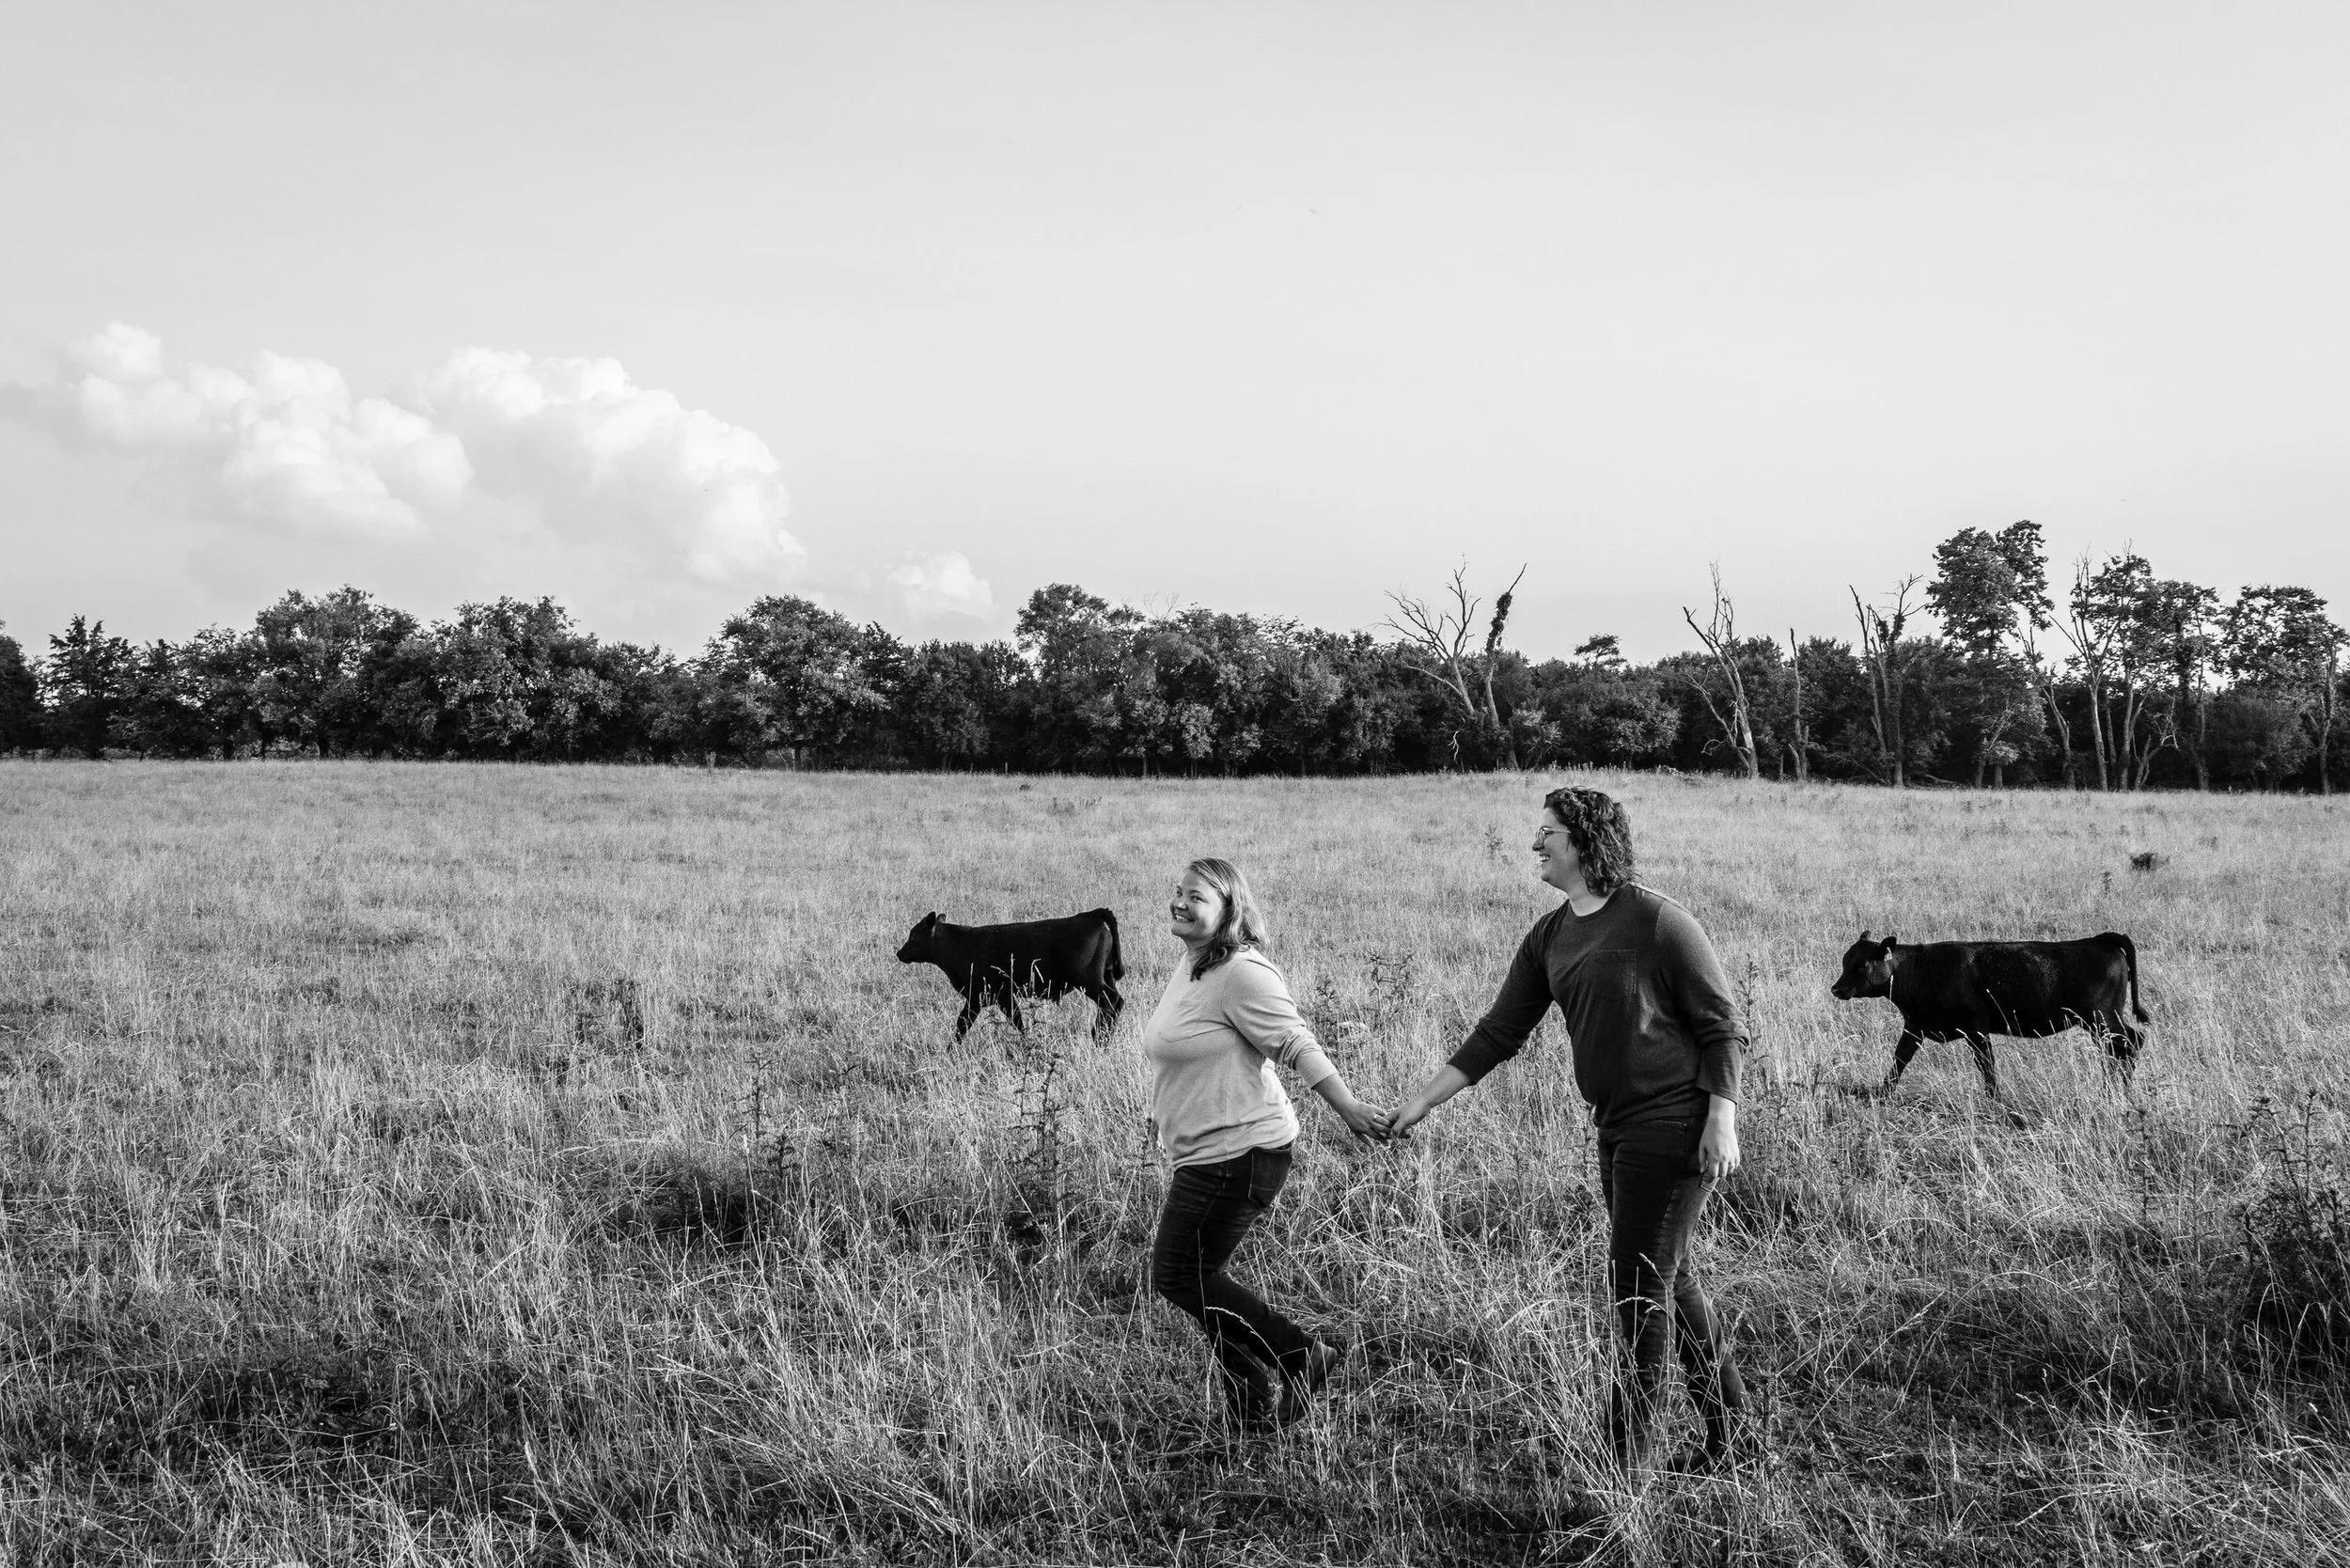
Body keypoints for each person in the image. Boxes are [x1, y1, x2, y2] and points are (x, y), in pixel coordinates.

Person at [1384, 786, 1751, 1470]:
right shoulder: (1552, 934)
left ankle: (1624, 1474)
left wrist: (1721, 1118)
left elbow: (1722, 1027)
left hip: (1673, 1125)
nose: (1535, 843)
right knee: (1671, 1279)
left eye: (1547, 831)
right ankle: (1735, 1438)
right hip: (1614, 1128)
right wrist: (1422, 1102)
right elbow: (1499, 1032)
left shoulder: (1659, 922)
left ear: (1584, 839)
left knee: (1639, 1290)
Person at [1143, 856, 1388, 1427]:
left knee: (1181, 1276)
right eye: (1177, 891)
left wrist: (1348, 1106)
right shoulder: (1195, 963)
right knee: (1204, 1282)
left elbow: (1295, 1043)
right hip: (1202, 1151)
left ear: (1230, 908)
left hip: (1240, 1155)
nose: (1180, 902)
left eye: (1196, 897)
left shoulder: (1242, 972)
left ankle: (1303, 1356)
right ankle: (1251, 1408)